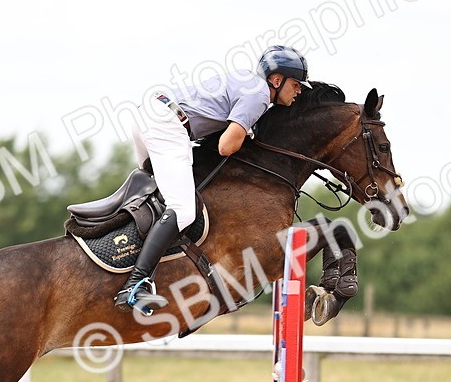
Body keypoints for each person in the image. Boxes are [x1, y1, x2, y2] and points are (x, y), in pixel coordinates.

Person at [114, 45, 312, 314]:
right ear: (276, 81)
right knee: (183, 210)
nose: (299, 90)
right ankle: (135, 286)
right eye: (296, 84)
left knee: (161, 198)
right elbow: (226, 147)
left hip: (152, 113)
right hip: (167, 124)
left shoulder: (248, 81)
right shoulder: (259, 96)